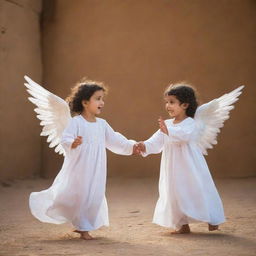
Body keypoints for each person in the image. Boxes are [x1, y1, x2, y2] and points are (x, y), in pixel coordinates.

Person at [29, 78, 138, 240]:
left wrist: (132, 146)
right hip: (80, 168)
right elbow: (65, 139)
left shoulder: (102, 124)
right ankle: (83, 228)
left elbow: (114, 140)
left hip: (97, 169)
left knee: (95, 195)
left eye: (102, 98)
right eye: (98, 98)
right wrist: (73, 143)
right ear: (85, 102)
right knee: (82, 195)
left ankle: (84, 225)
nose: (102, 102)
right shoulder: (76, 123)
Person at [137, 82, 243, 234]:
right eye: (167, 102)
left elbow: (185, 137)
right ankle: (182, 224)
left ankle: (213, 219)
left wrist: (169, 131)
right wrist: (144, 145)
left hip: (190, 166)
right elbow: (156, 141)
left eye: (172, 102)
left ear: (185, 104)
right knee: (174, 192)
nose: (168, 105)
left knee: (197, 190)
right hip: (172, 167)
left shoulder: (191, 123)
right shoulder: (166, 124)